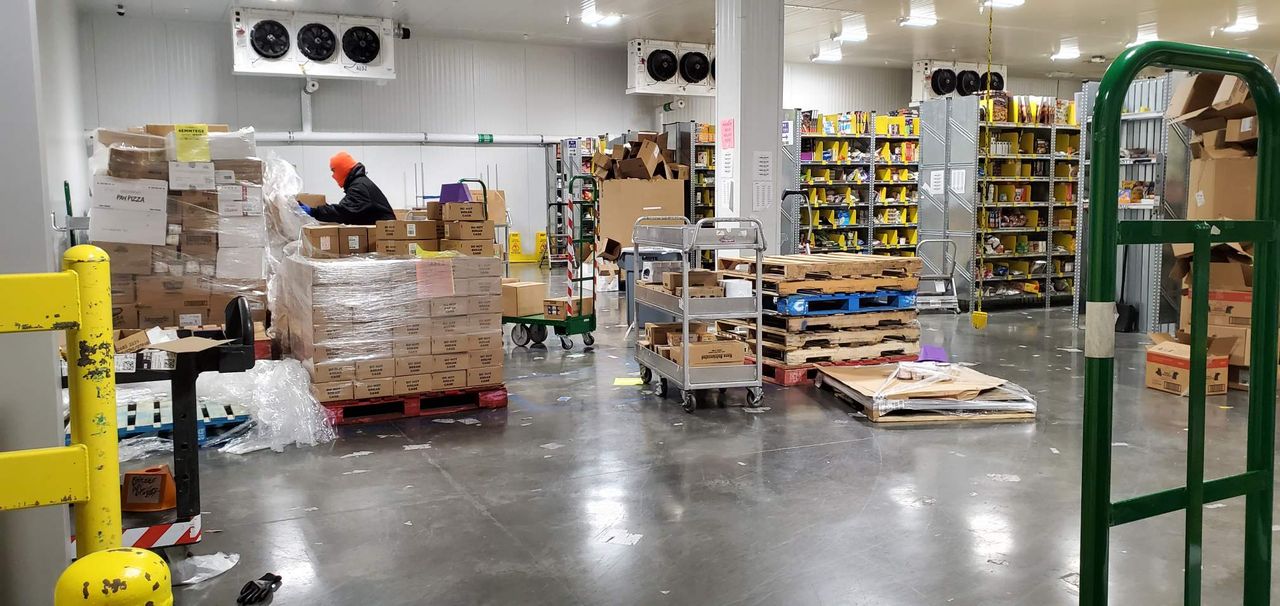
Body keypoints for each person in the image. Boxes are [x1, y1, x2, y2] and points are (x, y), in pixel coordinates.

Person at [298, 151, 396, 225]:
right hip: (379, 235)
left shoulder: (359, 187)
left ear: (342, 169)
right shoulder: (359, 183)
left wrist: (314, 212)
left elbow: (343, 212)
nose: (333, 176)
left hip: (385, 236)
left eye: (333, 171)